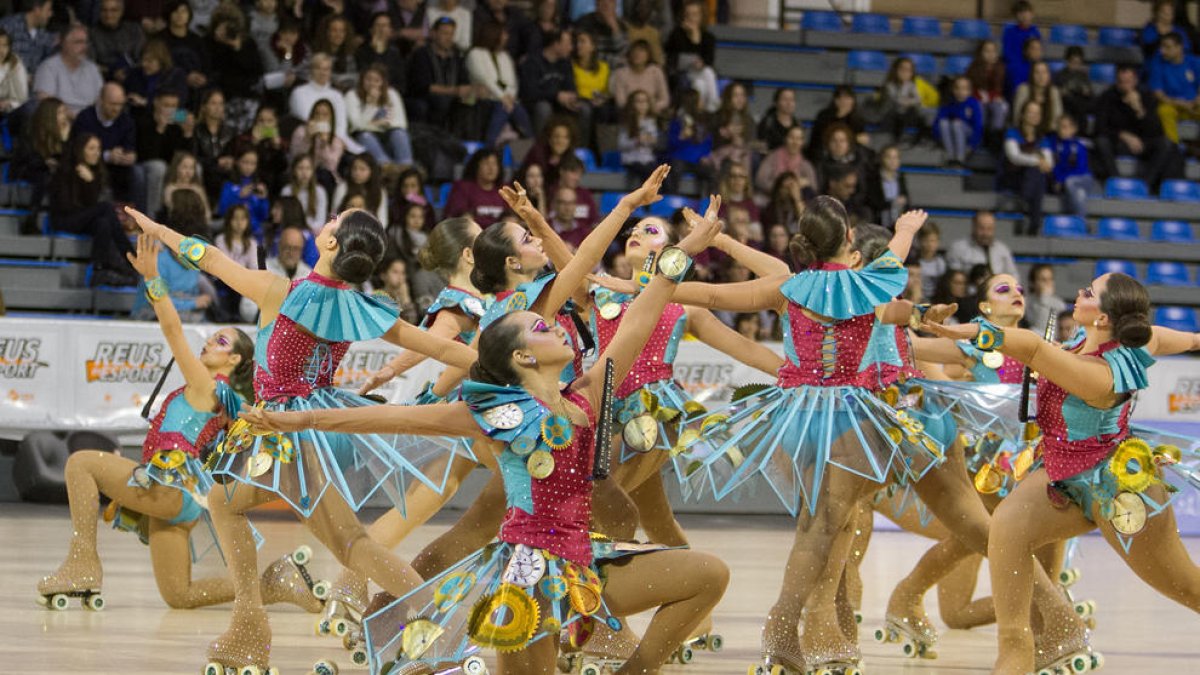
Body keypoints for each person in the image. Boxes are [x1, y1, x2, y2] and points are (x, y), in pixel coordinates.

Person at [246, 199, 731, 675]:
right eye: (541, 327)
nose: (555, 325)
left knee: (709, 573)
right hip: (529, 579)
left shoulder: (586, 395)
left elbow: (644, 311)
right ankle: (400, 622)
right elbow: (386, 419)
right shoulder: (491, 414)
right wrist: (292, 421)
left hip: (583, 564)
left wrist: (685, 247)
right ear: (522, 358)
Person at [125, 204, 478, 674]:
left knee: (340, 540)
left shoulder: (280, 291)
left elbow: (209, 257)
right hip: (321, 427)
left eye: (332, 221)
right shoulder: (361, 307)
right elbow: (439, 346)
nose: (326, 222)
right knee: (248, 508)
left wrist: (159, 229)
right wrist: (504, 364)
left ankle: (442, 636)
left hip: (283, 431)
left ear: (331, 243)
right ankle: (252, 626)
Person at [923, 273, 1200, 675]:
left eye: (1089, 292)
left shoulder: (1100, 372)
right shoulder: (1090, 342)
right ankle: (1020, 648)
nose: (1080, 293)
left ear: (1103, 317)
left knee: (1185, 585)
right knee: (1007, 528)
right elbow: (1180, 338)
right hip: (1059, 471)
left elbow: (1034, 348)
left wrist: (968, 331)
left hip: (1117, 485)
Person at [36, 234, 325, 613]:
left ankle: (83, 563)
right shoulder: (226, 399)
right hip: (184, 497)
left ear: (234, 361)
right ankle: (276, 584)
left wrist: (154, 278)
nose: (208, 342)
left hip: (170, 486)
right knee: (179, 594)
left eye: (220, 341)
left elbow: (173, 331)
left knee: (80, 464)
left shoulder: (209, 386)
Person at [50, 133, 137, 284]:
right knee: (105, 208)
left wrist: (91, 182)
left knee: (103, 223)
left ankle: (98, 269)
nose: (96, 152)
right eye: (91, 148)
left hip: (84, 219)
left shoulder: (96, 172)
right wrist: (89, 184)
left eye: (98, 148)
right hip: (64, 219)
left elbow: (91, 205)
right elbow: (65, 207)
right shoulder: (64, 171)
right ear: (80, 150)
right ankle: (131, 257)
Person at [1093, 65, 1183, 193]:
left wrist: (1139, 109)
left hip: (1143, 144)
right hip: (1119, 143)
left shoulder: (1146, 96)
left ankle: (1145, 185)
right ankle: (1116, 180)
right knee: (1101, 141)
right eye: (1121, 82)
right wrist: (1123, 135)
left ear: (1135, 81)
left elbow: (1156, 130)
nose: (1124, 86)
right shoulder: (1107, 97)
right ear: (1116, 81)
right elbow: (1100, 128)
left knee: (1165, 143)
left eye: (1128, 82)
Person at [466, 22, 533, 147]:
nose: (506, 37)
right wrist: (503, 97)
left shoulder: (505, 56)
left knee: (517, 110)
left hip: (505, 100)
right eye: (503, 34)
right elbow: (486, 79)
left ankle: (526, 151)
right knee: (504, 108)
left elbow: (511, 82)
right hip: (483, 97)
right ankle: (489, 147)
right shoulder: (475, 54)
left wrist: (509, 97)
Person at [405, 16, 474, 132]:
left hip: (451, 95)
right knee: (441, 102)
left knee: (472, 103)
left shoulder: (456, 55)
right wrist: (454, 91)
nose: (449, 38)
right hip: (424, 96)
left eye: (451, 34)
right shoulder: (422, 54)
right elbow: (424, 86)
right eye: (445, 33)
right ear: (434, 34)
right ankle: (436, 138)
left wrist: (470, 91)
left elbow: (464, 81)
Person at [345, 64, 414, 166]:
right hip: (363, 135)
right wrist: (371, 105)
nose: (372, 84)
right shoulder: (352, 95)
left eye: (377, 80)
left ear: (383, 82)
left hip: (388, 133)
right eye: (368, 79)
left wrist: (377, 124)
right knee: (366, 136)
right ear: (362, 80)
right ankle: (386, 167)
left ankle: (406, 167)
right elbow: (356, 125)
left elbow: (401, 123)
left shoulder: (392, 94)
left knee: (399, 134)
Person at [1003, 100, 1053, 237]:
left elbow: (1049, 163)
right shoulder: (1012, 133)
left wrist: (1038, 163)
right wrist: (1037, 160)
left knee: (1037, 174)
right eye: (1030, 112)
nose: (1033, 115)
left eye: (1037, 113)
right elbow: (1014, 157)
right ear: (1022, 115)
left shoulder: (1043, 138)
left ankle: (1024, 204)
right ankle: (1035, 222)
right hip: (1014, 177)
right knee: (1036, 172)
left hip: (1033, 180)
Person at [33, 23, 104, 116]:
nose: (84, 47)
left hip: (89, 122)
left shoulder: (92, 68)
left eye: (85, 42)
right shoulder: (48, 67)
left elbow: (101, 99)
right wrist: (73, 118)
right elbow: (46, 103)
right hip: (59, 121)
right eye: (78, 42)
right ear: (64, 44)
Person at [518, 27, 578, 132]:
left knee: (583, 108)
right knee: (544, 108)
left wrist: (571, 97)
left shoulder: (566, 63)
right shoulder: (532, 62)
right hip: (536, 104)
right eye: (568, 44)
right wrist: (556, 95)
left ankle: (578, 147)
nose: (571, 48)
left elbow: (570, 87)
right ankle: (541, 146)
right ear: (556, 44)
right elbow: (530, 92)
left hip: (558, 104)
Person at [665, 0, 719, 112]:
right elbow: (672, 56)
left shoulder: (708, 37)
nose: (691, 18)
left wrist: (701, 62)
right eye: (688, 14)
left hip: (700, 73)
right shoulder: (676, 34)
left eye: (695, 14)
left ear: (702, 16)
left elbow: (709, 59)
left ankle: (707, 109)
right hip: (682, 72)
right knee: (705, 76)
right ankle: (711, 107)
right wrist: (693, 37)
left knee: (703, 80)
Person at [1148, 32, 1200, 144]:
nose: (1162, 51)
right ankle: (1173, 149)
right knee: (1163, 111)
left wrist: (1197, 99)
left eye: (1167, 47)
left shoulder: (1194, 62)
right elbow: (1158, 94)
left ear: (1179, 47)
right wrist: (1178, 103)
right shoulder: (1158, 63)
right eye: (1162, 47)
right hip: (1173, 105)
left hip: (1194, 105)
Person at [444, 147, 507, 226]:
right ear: (476, 166)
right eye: (486, 163)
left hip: (499, 234)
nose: (491, 168)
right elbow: (457, 216)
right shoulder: (462, 187)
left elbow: (511, 216)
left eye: (495, 164)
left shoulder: (505, 189)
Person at [946, 211, 1018, 277]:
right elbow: (953, 281)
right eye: (982, 228)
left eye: (989, 229)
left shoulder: (1002, 250)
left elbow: (1013, 276)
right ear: (973, 227)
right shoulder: (958, 248)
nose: (985, 233)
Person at [216, 147, 270, 235]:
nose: (249, 167)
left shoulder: (258, 186)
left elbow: (264, 216)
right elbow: (222, 211)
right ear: (237, 162)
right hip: (232, 233)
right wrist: (239, 197)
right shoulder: (229, 185)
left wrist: (264, 200)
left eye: (253, 164)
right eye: (245, 162)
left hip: (254, 233)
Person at [1049, 113, 1095, 217]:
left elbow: (1081, 169)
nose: (1062, 130)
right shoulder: (1053, 144)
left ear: (1073, 129)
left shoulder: (1079, 145)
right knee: (1079, 194)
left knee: (1070, 182)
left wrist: (1061, 180)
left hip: (1083, 178)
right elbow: (1054, 166)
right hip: (1065, 181)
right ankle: (1081, 223)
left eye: (1066, 127)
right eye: (1060, 126)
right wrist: (1058, 179)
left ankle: (1080, 221)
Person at [609, 39, 669, 116]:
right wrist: (636, 109)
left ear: (648, 55)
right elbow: (621, 101)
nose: (637, 54)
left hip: (652, 112)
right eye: (634, 51)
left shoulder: (656, 71)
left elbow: (665, 99)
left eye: (641, 51)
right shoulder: (621, 73)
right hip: (629, 114)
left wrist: (650, 108)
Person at [807, 85, 868, 161]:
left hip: (849, 159)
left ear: (853, 101)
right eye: (842, 98)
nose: (845, 102)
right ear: (836, 100)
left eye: (848, 98)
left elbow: (861, 141)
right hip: (824, 157)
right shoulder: (824, 117)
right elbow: (815, 141)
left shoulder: (858, 121)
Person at [935, 75, 984, 165]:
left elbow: (978, 126)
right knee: (944, 123)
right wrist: (939, 138)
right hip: (952, 134)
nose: (961, 91)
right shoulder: (949, 102)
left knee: (957, 123)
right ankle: (950, 155)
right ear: (953, 90)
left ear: (969, 91)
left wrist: (972, 145)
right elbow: (938, 121)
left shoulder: (974, 104)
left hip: (968, 135)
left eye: (964, 88)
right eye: (957, 88)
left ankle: (960, 157)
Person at [90, 0, 145, 79]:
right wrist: (112, 72)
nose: (108, 15)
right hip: (104, 78)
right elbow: (91, 65)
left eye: (113, 10)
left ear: (121, 12)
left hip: (135, 76)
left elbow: (143, 57)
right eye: (104, 10)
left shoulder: (134, 30)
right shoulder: (91, 34)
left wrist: (128, 71)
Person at [332, 153, 390, 227]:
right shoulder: (343, 187)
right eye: (354, 168)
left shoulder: (380, 191)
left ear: (371, 171)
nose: (357, 173)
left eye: (362, 169)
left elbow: (383, 220)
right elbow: (334, 214)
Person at [0, 0, 55, 76]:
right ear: (37, 10)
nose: (50, 14)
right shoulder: (9, 26)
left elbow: (48, 64)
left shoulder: (45, 35)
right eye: (48, 10)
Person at [354, 12, 405, 94]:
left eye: (385, 26)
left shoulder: (395, 53)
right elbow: (364, 76)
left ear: (390, 30)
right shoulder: (361, 52)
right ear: (371, 30)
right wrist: (376, 52)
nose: (381, 29)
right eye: (378, 25)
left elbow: (401, 83)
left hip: (390, 93)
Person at [617, 88, 660, 183]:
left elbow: (655, 142)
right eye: (638, 102)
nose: (642, 105)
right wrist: (636, 141)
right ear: (632, 104)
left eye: (645, 102)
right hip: (631, 159)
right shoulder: (627, 123)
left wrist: (653, 141)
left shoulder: (651, 122)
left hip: (648, 159)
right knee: (651, 174)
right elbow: (621, 145)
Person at [966, 39, 1008, 134]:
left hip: (995, 99)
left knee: (999, 107)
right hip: (977, 98)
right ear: (981, 53)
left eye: (993, 51)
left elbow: (1001, 90)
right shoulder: (973, 68)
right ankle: (980, 138)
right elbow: (970, 88)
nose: (990, 54)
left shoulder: (1002, 68)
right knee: (980, 108)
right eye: (987, 51)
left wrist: (992, 97)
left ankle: (994, 137)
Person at [1001, 1, 1041, 98]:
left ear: (1031, 14)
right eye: (1021, 13)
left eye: (1027, 12)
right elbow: (1007, 53)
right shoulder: (1010, 32)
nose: (1024, 16)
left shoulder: (1035, 31)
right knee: (1015, 73)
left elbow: (1037, 52)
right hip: (1015, 65)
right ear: (1016, 16)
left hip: (1031, 64)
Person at [1011, 60, 1062, 134]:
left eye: (1044, 72)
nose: (1041, 76)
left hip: (1048, 133)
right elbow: (1017, 117)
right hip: (1025, 133)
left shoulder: (1054, 92)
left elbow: (1058, 118)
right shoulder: (1023, 90)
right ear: (1031, 75)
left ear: (1049, 75)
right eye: (1037, 73)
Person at [865, 144, 910, 227]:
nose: (892, 161)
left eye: (896, 157)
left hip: (898, 221)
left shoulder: (901, 177)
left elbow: (906, 198)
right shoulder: (873, 178)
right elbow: (872, 201)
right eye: (889, 157)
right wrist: (893, 203)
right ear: (881, 158)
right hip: (878, 221)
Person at [313, 14, 359, 91]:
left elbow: (354, 77)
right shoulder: (315, 54)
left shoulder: (350, 54)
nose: (338, 35)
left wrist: (336, 80)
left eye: (342, 31)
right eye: (334, 30)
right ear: (326, 32)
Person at [576, 0, 628, 64]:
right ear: (596, 4)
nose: (606, 4)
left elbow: (624, 52)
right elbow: (588, 54)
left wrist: (614, 28)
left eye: (610, 1)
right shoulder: (585, 22)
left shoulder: (621, 25)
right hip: (592, 68)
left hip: (616, 70)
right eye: (602, 1)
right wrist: (617, 60)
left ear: (615, 5)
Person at [1054, 46, 1094, 125]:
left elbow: (1090, 94)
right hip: (1066, 109)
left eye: (1078, 63)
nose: (1076, 66)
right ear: (1067, 61)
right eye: (1073, 62)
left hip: (1081, 110)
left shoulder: (1083, 76)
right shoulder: (1060, 76)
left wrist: (1086, 92)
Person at [1025, 262, 1066, 329]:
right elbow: (1038, 327)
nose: (1048, 283)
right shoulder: (1025, 302)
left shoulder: (1059, 304)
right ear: (1033, 283)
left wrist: (1045, 299)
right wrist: (1044, 299)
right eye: (1043, 280)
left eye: (1050, 279)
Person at [0, 29, 29, 117]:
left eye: (5, 45)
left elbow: (22, 98)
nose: (1, 50)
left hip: (7, 114)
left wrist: (9, 103)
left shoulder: (15, 64)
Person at [915, 221, 945, 300]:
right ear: (920, 241)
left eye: (933, 241)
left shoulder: (941, 263)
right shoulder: (914, 262)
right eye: (926, 240)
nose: (930, 244)